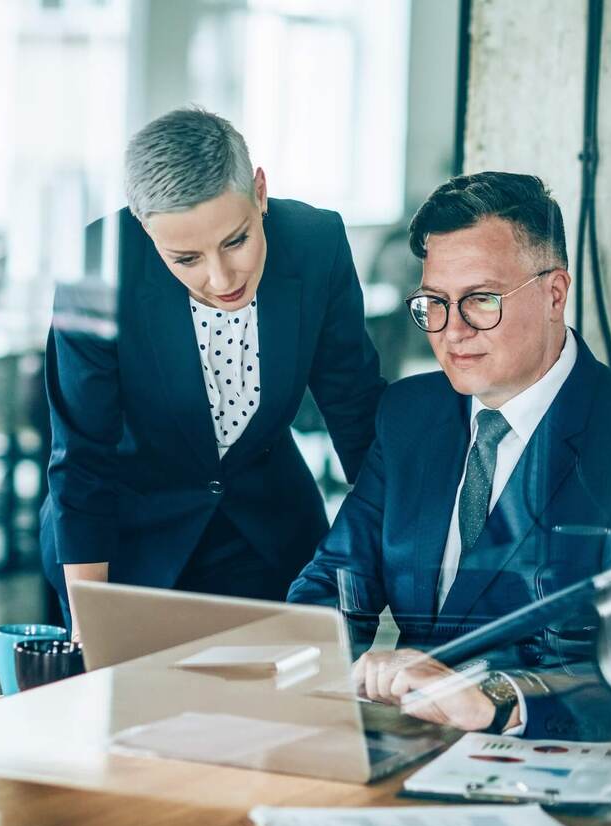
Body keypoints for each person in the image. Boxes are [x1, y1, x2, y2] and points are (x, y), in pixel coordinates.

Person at [288, 171, 611, 740]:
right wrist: (304, 662)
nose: (452, 331)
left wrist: (498, 699)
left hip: (550, 762)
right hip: (409, 750)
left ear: (555, 293)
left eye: (481, 300)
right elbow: (339, 581)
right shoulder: (410, 415)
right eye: (434, 302)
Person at [42, 108, 385, 638]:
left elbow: (356, 412)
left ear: (260, 192)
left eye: (236, 241)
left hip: (267, 530)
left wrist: (412, 562)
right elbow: (83, 458)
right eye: (185, 259)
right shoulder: (97, 267)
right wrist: (93, 631)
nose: (220, 278)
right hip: (127, 539)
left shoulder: (316, 244)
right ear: (144, 229)